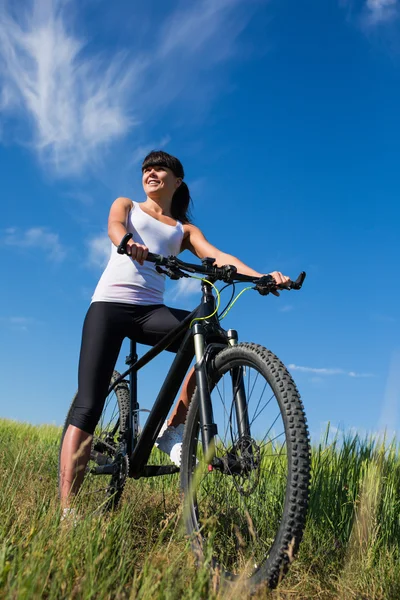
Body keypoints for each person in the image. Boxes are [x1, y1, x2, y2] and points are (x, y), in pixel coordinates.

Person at [59, 150, 290, 512]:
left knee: (209, 335)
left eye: (159, 168)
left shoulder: (184, 229)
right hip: (108, 307)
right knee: (88, 407)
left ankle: (173, 429)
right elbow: (114, 227)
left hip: (151, 312)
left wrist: (260, 276)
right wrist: (127, 243)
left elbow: (216, 256)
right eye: (146, 169)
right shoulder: (128, 205)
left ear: (177, 180)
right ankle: (67, 513)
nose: (150, 173)